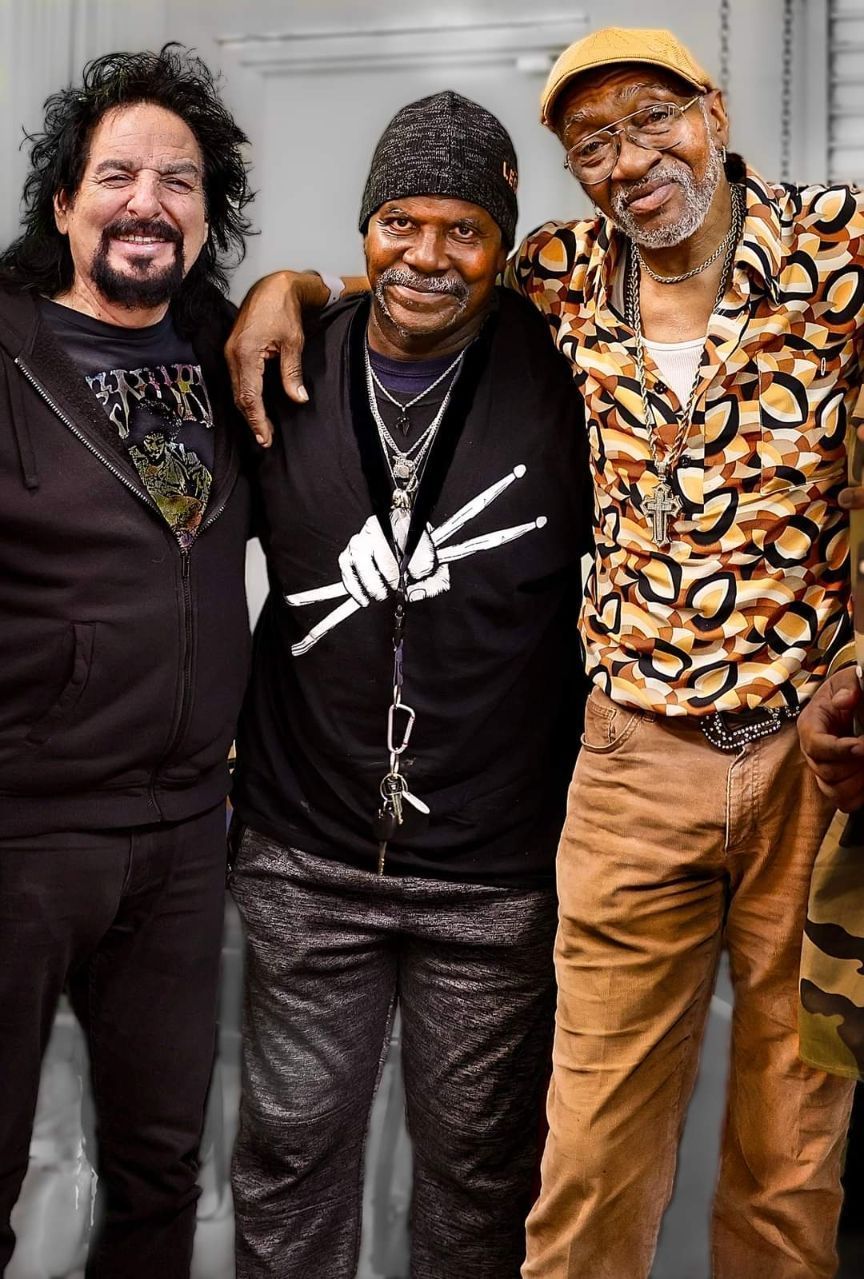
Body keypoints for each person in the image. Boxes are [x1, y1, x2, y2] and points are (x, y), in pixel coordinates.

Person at [224, 25, 863, 1279]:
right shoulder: (564, 279)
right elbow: (387, 287)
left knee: (790, 1160)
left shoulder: (839, 249)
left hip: (806, 760)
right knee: (579, 1166)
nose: (629, 159)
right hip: (624, 761)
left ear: (716, 112)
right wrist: (280, 285)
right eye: (592, 141)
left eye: (653, 121)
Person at [227, 91, 591, 1279]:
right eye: (397, 221)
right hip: (304, 850)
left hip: (493, 870)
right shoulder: (282, 366)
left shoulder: (565, 373)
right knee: (286, 1155)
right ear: (365, 226)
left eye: (463, 230)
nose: (425, 256)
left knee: (483, 1177)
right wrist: (290, 283)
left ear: (505, 242)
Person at [0, 45, 253, 1278]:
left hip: (183, 836)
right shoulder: (7, 352)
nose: (146, 200)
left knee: (160, 1173)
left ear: (208, 217)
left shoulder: (230, 358)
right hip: (23, 834)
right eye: (116, 175)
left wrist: (291, 289)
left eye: (180, 181)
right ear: (64, 202)